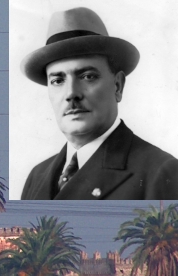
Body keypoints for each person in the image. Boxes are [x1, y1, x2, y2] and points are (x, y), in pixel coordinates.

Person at [19, 7, 178, 200]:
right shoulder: (37, 177)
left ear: (117, 86)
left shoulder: (161, 173)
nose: (71, 93)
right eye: (58, 81)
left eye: (87, 76)